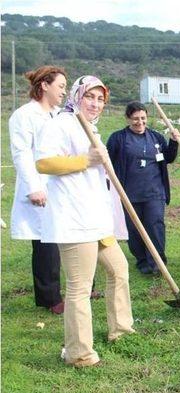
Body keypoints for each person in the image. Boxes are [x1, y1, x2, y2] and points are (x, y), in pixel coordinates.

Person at [35, 75, 135, 367]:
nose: (95, 103)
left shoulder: (90, 128)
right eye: (89, 97)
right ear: (77, 96)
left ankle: (122, 330)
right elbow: (44, 162)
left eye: (100, 99)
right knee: (79, 287)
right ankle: (80, 353)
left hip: (97, 219)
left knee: (119, 270)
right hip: (74, 219)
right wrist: (85, 161)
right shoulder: (61, 123)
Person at [9, 65, 67, 314]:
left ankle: (82, 287)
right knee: (46, 244)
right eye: (61, 86)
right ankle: (50, 297)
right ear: (44, 85)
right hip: (40, 186)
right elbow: (21, 154)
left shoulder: (58, 114)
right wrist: (33, 187)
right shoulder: (24, 115)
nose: (64, 92)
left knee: (69, 236)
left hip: (60, 183)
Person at [106, 102, 180, 275]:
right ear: (128, 118)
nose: (140, 122)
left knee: (155, 225)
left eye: (143, 118)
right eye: (135, 119)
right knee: (134, 229)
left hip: (155, 192)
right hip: (128, 194)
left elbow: (168, 158)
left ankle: (157, 263)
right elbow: (107, 162)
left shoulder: (156, 138)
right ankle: (142, 260)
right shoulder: (118, 139)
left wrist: (174, 142)